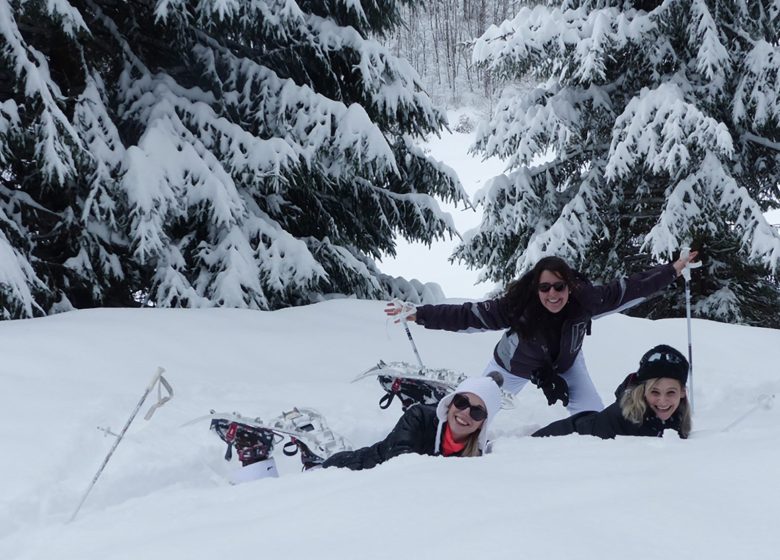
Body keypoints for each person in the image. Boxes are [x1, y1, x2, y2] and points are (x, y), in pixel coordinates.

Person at [386, 252, 698, 415]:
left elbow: (630, 288)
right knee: (476, 409)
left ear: (569, 286)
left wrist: (672, 270)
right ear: (536, 289)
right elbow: (468, 315)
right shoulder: (516, 307)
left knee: (591, 415)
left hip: (567, 363)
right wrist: (420, 313)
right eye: (545, 287)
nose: (552, 294)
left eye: (559, 287)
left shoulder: (585, 303)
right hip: (511, 366)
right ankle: (430, 409)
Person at [322, 373, 504, 470]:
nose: (465, 412)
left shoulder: (479, 458)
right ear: (450, 403)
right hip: (351, 470)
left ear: (484, 423)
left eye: (477, 412)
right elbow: (401, 467)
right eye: (461, 402)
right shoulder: (419, 417)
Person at [532, 344, 692, 439]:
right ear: (642, 391)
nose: (662, 401)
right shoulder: (625, 421)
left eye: (671, 393)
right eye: (655, 392)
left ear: (683, 392)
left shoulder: (676, 417)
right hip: (549, 443)